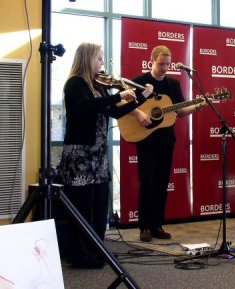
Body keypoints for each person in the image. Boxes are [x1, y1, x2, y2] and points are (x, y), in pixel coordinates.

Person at [56, 42, 154, 268]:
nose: (102, 62)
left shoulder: (97, 85)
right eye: (99, 58)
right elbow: (87, 107)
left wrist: (141, 98)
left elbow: (114, 111)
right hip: (80, 156)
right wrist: (118, 94)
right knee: (82, 207)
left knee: (99, 205)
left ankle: (97, 249)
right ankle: (80, 255)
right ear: (88, 58)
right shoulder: (75, 83)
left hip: (97, 156)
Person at [131, 45, 205, 242]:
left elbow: (180, 111)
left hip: (166, 140)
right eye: (161, 64)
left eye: (167, 64)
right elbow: (127, 106)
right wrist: (140, 114)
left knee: (162, 183)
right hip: (145, 138)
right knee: (147, 182)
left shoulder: (173, 84)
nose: (164, 68)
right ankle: (144, 226)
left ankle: (157, 225)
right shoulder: (140, 82)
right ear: (152, 61)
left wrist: (196, 107)